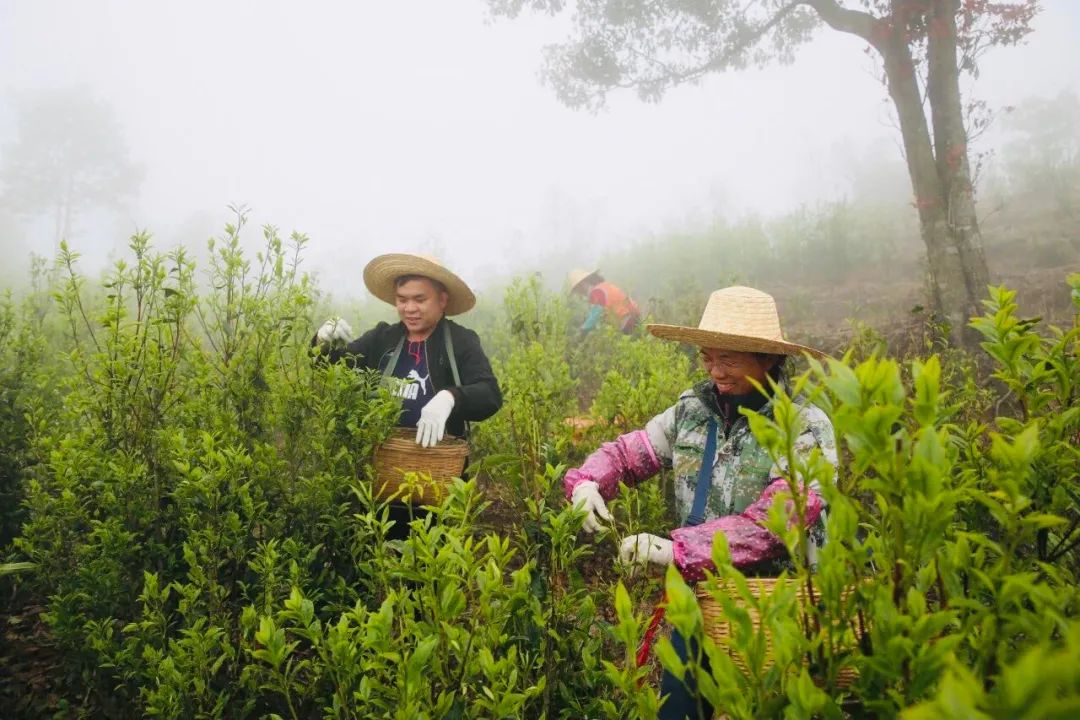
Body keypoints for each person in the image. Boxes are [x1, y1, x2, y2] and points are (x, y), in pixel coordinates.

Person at [562, 286, 836, 720]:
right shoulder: (692, 412)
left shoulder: (804, 425)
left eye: (728, 360)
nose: (715, 372)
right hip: (699, 604)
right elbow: (629, 452)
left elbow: (784, 515)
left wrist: (677, 549)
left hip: (774, 609)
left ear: (767, 358)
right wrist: (588, 482)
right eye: (707, 357)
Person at [315, 253, 502, 538]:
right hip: (384, 476)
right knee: (382, 556)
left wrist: (450, 397)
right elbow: (332, 366)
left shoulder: (461, 342)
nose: (410, 308)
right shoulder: (383, 339)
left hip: (439, 477)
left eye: (419, 299)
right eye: (402, 300)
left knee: (434, 561)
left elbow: (490, 394)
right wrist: (321, 342)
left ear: (442, 300)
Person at [568, 269, 641, 334]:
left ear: (584, 284)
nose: (580, 293)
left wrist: (582, 330)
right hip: (634, 315)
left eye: (579, 289)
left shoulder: (597, 291)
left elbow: (595, 314)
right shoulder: (604, 286)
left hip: (627, 320)